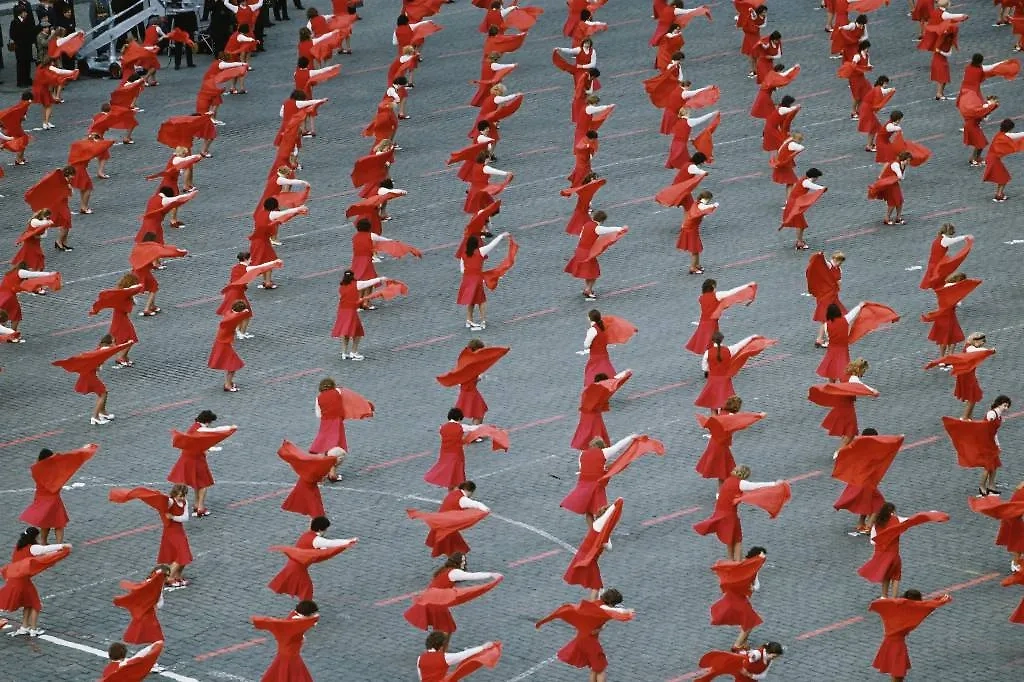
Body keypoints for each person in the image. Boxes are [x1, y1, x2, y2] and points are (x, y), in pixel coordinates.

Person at [535, 588, 634, 682]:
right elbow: (617, 614)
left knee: (595, 668)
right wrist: (629, 613)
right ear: (611, 603)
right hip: (590, 642)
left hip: (582, 639)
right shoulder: (604, 611)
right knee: (601, 669)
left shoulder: (595, 605)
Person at [693, 465, 783, 560]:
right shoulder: (740, 483)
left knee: (730, 541)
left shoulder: (727, 481)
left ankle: (731, 562)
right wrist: (774, 484)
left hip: (719, 513)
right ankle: (737, 564)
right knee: (737, 540)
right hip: (730, 516)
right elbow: (756, 486)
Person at [403, 553, 502, 632]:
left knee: (444, 629)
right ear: (457, 562)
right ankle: (439, 652)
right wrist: (491, 575)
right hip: (438, 603)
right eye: (463, 561)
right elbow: (472, 576)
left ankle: (439, 650)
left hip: (434, 600)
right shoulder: (454, 573)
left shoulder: (444, 570)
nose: (464, 563)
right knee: (445, 629)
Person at [0, 527, 71, 637]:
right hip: (22, 581)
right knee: (34, 603)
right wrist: (63, 546)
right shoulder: (33, 548)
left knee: (27, 603)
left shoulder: (18, 547)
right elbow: (45, 549)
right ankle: (33, 629)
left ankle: (24, 627)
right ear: (34, 537)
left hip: (14, 579)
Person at [19, 444, 96, 544]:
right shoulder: (54, 471)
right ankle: (59, 544)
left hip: (40, 498)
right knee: (59, 524)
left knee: (45, 523)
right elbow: (67, 460)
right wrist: (83, 450)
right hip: (53, 499)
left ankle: (43, 542)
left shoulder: (36, 469)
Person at [869, 590, 952, 681]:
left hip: (888, 642)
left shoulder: (893, 606)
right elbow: (927, 606)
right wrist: (941, 600)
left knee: (897, 674)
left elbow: (878, 603)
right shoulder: (911, 613)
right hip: (897, 646)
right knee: (898, 674)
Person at [267, 516, 357, 600]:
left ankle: (304, 609)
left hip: (294, 565)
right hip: (298, 568)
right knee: (306, 589)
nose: (326, 531)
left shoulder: (307, 535)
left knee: (306, 589)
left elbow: (323, 547)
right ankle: (305, 610)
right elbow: (331, 543)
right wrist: (349, 541)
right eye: (325, 529)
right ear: (321, 529)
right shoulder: (316, 540)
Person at [168, 411, 237, 516]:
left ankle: (196, 505)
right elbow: (215, 430)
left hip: (187, 458)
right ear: (207, 421)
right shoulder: (201, 429)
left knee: (197, 483)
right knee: (203, 484)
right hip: (196, 460)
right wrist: (230, 427)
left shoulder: (194, 427)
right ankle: (200, 507)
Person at [561, 434, 637, 521]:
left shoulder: (582, 454)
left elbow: (583, 468)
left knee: (588, 511)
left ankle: (592, 531)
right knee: (601, 508)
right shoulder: (603, 452)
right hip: (596, 485)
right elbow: (618, 447)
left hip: (583, 485)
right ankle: (600, 525)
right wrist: (631, 437)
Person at [710, 547, 767, 651]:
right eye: (761, 556)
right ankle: (738, 645)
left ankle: (743, 643)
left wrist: (752, 587)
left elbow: (756, 585)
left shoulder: (752, 567)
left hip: (737, 598)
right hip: (737, 599)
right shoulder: (746, 567)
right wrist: (752, 588)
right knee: (750, 621)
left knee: (748, 620)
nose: (763, 559)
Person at [564, 210, 627, 300]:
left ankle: (587, 288)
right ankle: (588, 290)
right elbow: (609, 229)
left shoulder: (586, 225)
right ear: (602, 220)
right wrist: (621, 228)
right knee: (593, 273)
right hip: (587, 253)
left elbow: (581, 237)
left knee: (588, 272)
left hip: (579, 250)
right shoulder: (597, 228)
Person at [251, 600, 320, 682]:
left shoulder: (293, 618)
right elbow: (311, 621)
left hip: (286, 653)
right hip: (291, 656)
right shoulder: (295, 624)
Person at [423, 408, 484, 490]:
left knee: (450, 476)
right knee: (457, 477)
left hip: (444, 455)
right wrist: (488, 428)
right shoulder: (461, 427)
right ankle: (456, 495)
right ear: (459, 418)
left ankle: (451, 493)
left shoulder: (442, 427)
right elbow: (474, 428)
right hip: (456, 455)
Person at [208, 300, 252, 392]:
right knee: (233, 365)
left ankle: (229, 382)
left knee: (232, 364)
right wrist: (245, 312)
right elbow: (238, 316)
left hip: (223, 342)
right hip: (224, 344)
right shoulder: (232, 317)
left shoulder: (229, 313)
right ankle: (228, 384)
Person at [416, 632, 496, 681]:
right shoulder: (445, 658)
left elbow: (421, 677)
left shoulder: (420, 658)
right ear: (440, 647)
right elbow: (464, 655)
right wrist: (483, 647)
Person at [9, 7, 37, 88]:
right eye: (24, 12)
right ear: (20, 13)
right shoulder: (14, 22)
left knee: (27, 62)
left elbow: (31, 31)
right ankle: (20, 81)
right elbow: (12, 34)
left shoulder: (27, 21)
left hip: (27, 45)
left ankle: (27, 79)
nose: (26, 14)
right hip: (20, 47)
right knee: (21, 63)